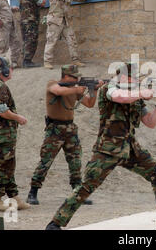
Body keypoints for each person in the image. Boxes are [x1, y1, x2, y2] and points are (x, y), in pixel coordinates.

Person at [45, 63, 156, 230]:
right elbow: (119, 97)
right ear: (122, 77)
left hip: (130, 148)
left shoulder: (135, 95)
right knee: (87, 185)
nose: (135, 81)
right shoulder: (109, 88)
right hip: (108, 148)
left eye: (136, 79)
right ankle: (55, 224)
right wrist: (142, 92)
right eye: (131, 78)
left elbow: (150, 122)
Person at [27, 65, 102, 205]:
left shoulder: (74, 89)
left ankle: (77, 193)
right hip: (54, 129)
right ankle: (33, 191)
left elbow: (90, 104)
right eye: (74, 77)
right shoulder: (53, 84)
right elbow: (58, 90)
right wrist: (76, 89)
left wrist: (94, 89)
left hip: (70, 129)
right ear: (66, 76)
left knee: (75, 162)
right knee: (46, 161)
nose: (76, 79)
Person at [0, 57, 30, 211]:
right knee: (5, 165)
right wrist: (18, 118)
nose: (11, 71)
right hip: (2, 133)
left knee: (8, 164)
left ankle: (14, 197)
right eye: (9, 68)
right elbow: (1, 110)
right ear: (4, 71)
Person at [43, 0, 91, 70]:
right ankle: (47, 62)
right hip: (55, 21)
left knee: (72, 40)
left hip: (66, 21)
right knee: (51, 41)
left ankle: (75, 60)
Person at [17, 0, 47, 68]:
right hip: (31, 20)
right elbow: (42, 3)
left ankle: (25, 60)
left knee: (26, 40)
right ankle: (27, 61)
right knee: (31, 41)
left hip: (23, 20)